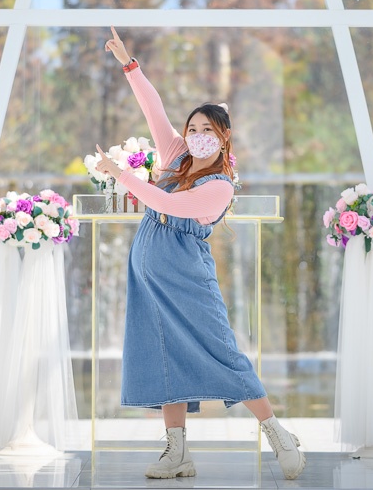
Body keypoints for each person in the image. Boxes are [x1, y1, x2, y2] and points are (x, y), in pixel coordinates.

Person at [93, 27, 306, 480]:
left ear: (224, 136)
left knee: (222, 352)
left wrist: (122, 176)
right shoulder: (175, 156)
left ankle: (276, 433)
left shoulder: (220, 186)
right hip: (148, 273)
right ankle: (177, 452)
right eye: (192, 128)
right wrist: (129, 64)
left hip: (186, 276)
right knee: (161, 352)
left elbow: (167, 204)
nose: (196, 135)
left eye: (206, 129)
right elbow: (154, 108)